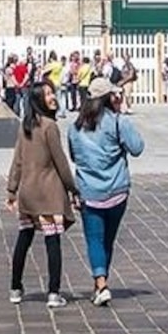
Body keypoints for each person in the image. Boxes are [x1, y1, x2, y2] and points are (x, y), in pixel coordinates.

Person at [65, 83, 145, 308]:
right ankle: (101, 283)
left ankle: (100, 283)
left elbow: (73, 156)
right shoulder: (118, 122)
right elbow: (137, 147)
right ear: (109, 98)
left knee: (94, 239)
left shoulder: (75, 127)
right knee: (107, 239)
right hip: (117, 189)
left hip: (89, 191)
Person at [5, 79, 75, 309]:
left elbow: (17, 160)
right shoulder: (49, 126)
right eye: (47, 94)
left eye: (52, 92)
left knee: (24, 239)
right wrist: (73, 188)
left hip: (27, 191)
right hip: (48, 192)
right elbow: (60, 161)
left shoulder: (26, 125)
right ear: (38, 101)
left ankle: (15, 287)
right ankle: (53, 292)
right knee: (52, 240)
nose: (52, 96)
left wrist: (12, 189)